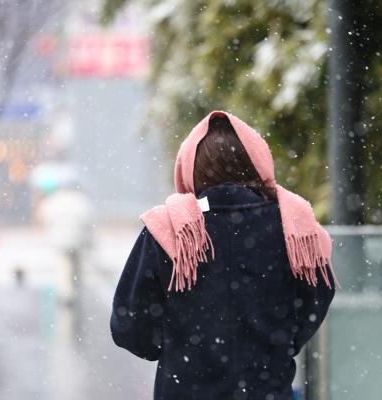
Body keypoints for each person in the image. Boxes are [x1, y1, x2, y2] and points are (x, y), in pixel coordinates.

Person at [110, 110, 338, 400]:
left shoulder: (166, 230)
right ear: (256, 163)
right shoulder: (293, 226)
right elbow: (317, 295)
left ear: (190, 168)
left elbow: (129, 325)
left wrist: (174, 350)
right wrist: (278, 343)